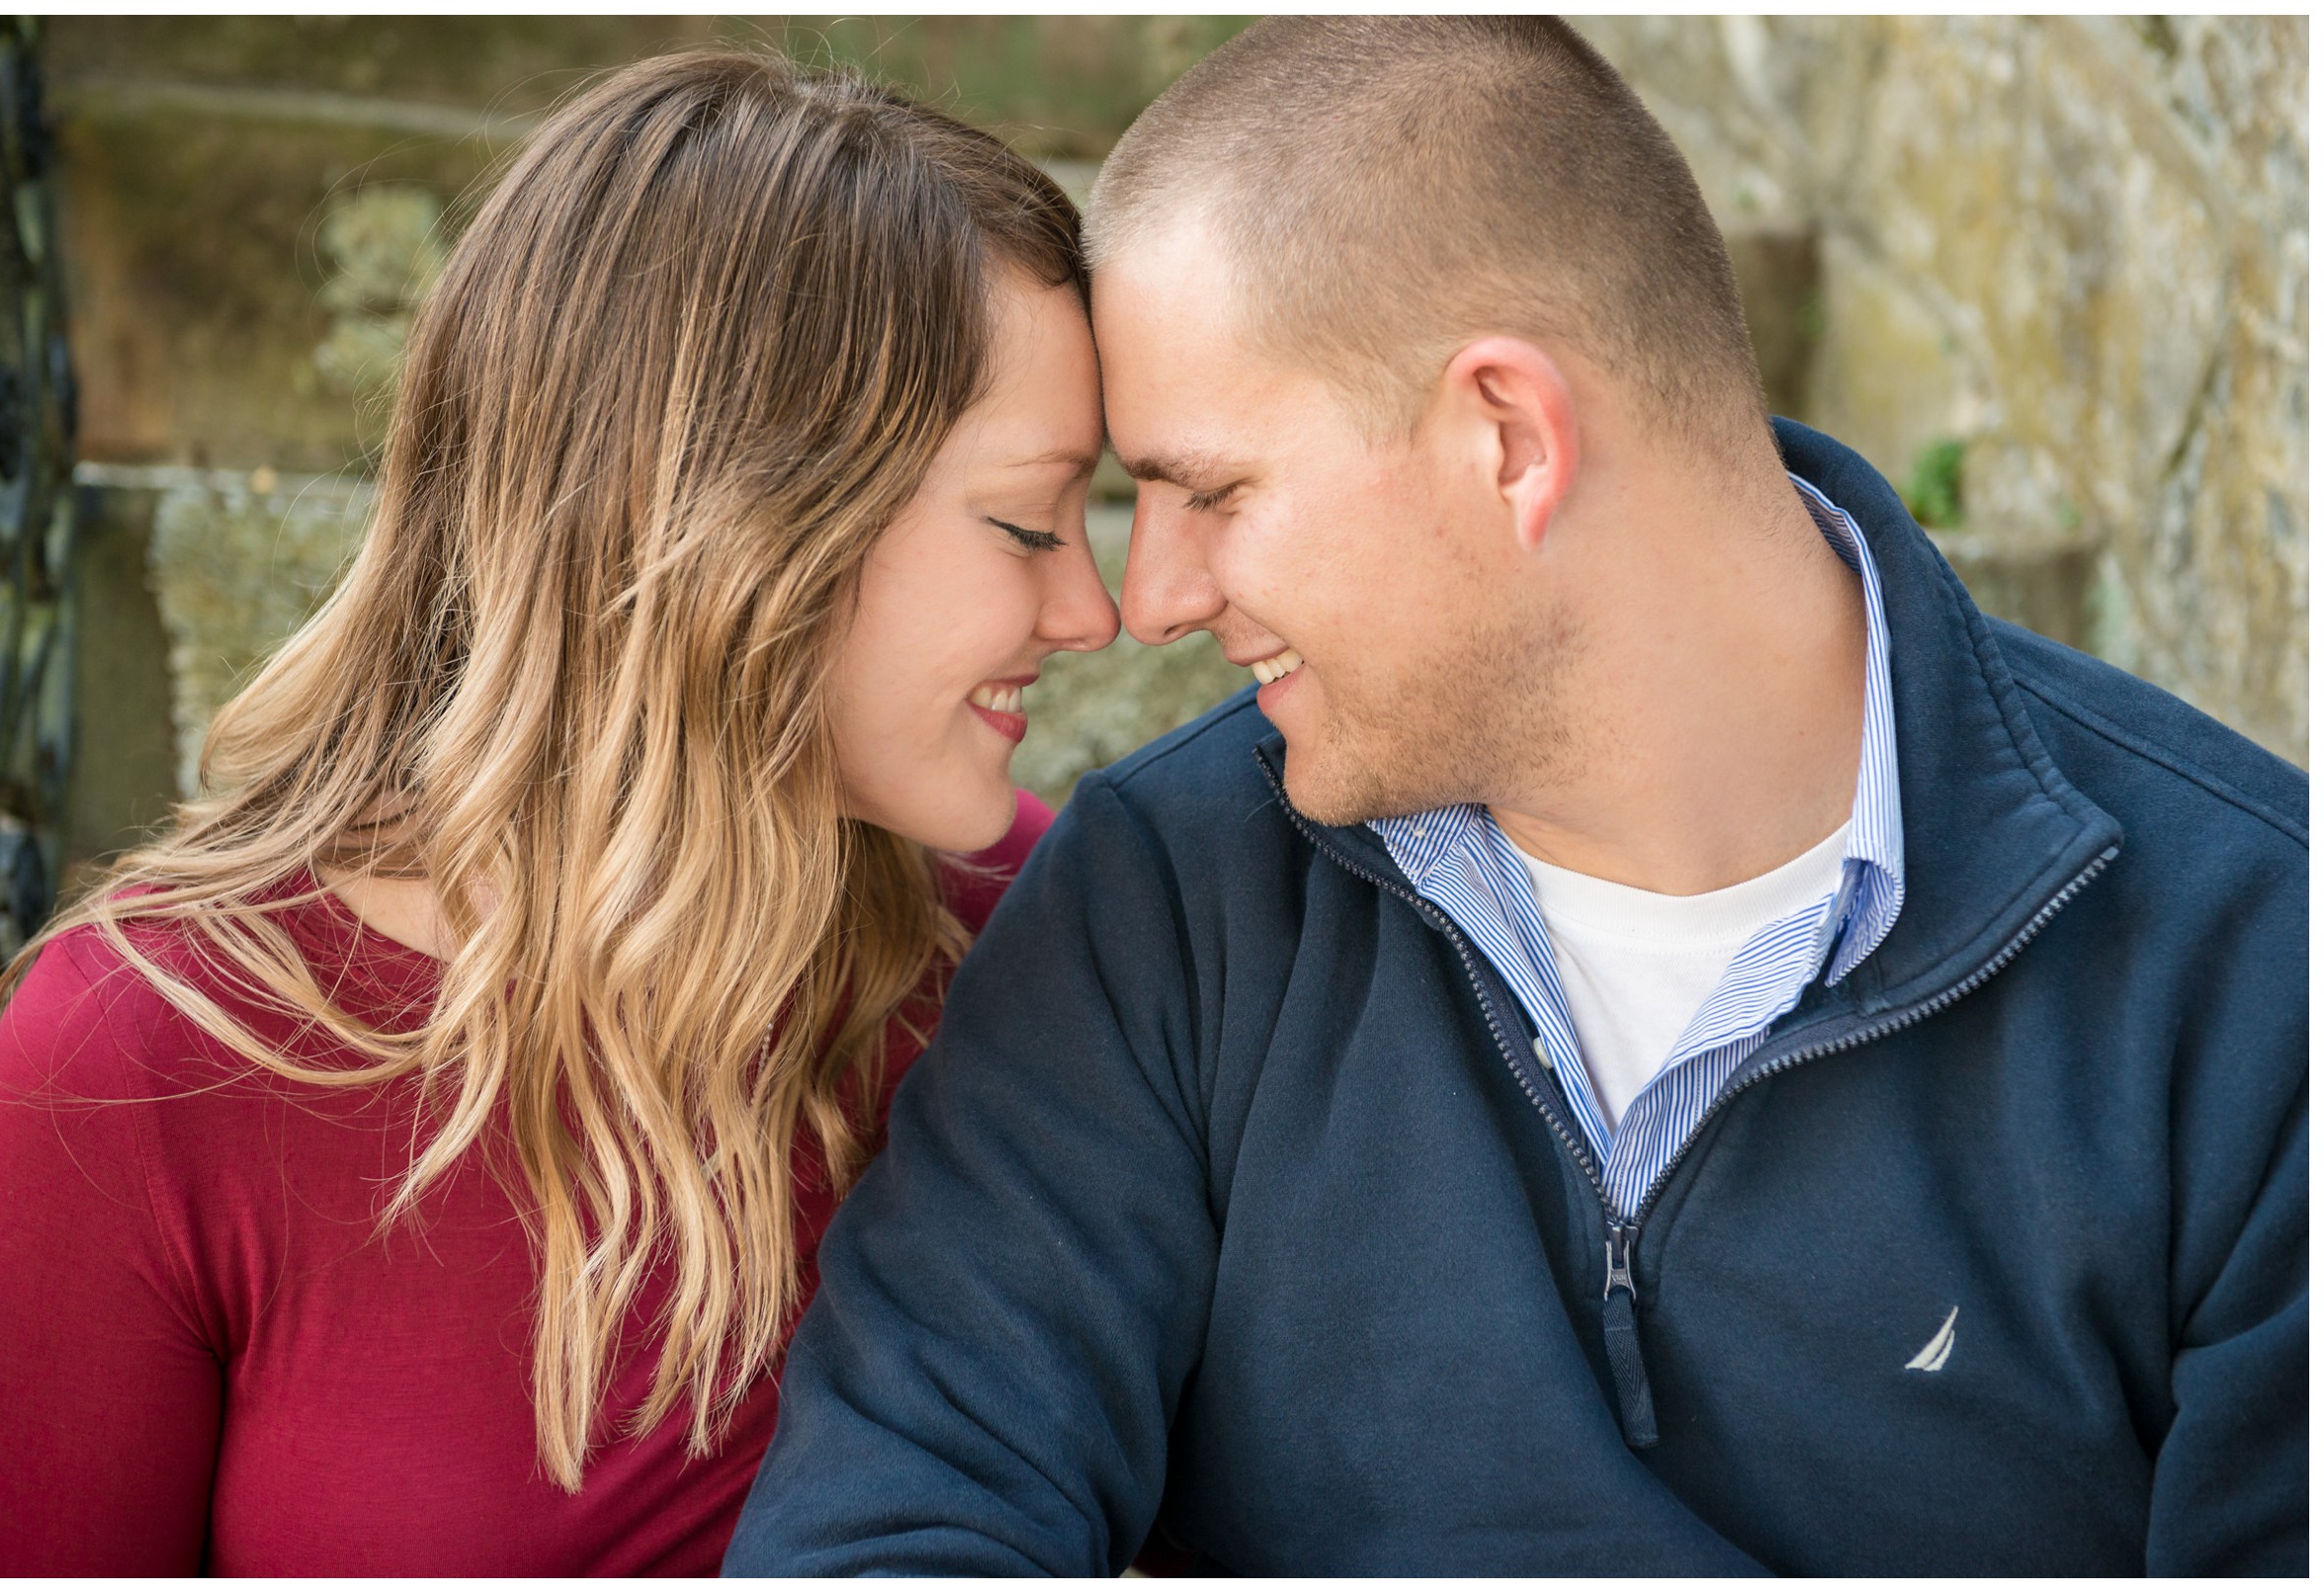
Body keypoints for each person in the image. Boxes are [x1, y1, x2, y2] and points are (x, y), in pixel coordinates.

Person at [725, 16, 2306, 1577]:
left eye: (1210, 493)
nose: (1150, 602)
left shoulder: (2257, 982)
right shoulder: (1168, 902)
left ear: (1509, 438)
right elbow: (893, 1522)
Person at [0, 49, 1120, 1576]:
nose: (1097, 609)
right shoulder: (145, 1062)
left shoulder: (1031, 942)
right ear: (745, 527)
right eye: (1030, 521)